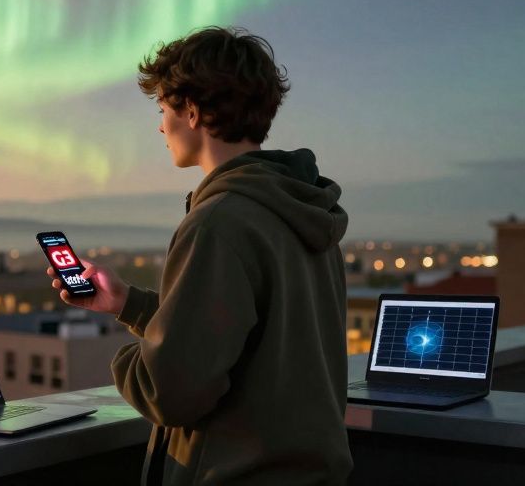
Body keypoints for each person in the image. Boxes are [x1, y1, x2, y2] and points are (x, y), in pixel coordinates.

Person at [48, 26, 352, 485]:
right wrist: (126, 302)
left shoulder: (218, 223)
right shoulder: (302, 210)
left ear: (191, 111)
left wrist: (125, 360)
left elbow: (168, 391)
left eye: (162, 108)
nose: (159, 125)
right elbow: (243, 335)